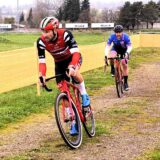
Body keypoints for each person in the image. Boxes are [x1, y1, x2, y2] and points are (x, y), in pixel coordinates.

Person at [37, 16, 90, 135]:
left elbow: (76, 52)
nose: (44, 35)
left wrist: (72, 66)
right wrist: (42, 75)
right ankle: (73, 122)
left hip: (73, 59)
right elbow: (42, 62)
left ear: (54, 30)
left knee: (75, 74)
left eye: (47, 31)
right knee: (63, 91)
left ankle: (84, 94)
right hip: (59, 64)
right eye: (42, 31)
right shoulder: (41, 42)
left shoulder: (65, 34)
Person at [104, 25, 132, 91]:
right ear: (115, 32)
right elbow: (108, 46)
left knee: (124, 64)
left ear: (122, 32)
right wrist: (105, 55)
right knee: (111, 56)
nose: (118, 34)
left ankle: (125, 83)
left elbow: (130, 46)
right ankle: (113, 69)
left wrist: (127, 53)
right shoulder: (112, 36)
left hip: (124, 50)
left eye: (119, 32)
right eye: (116, 32)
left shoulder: (126, 37)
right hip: (115, 49)